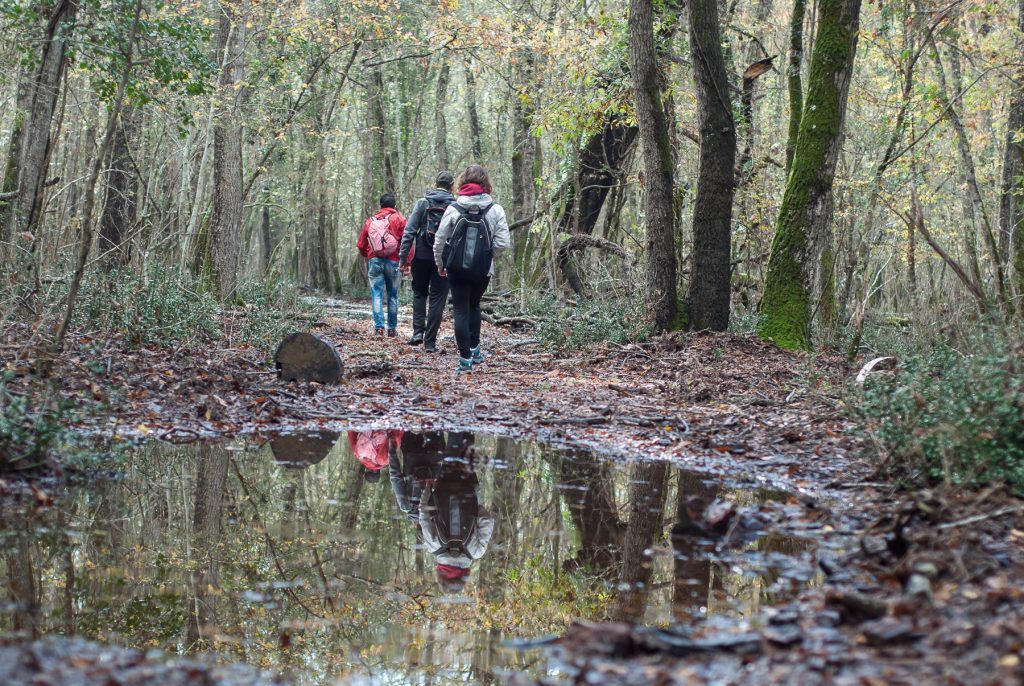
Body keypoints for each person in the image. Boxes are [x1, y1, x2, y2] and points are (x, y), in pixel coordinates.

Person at [432, 165, 511, 372]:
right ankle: (475, 350)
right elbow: (503, 243)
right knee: (474, 305)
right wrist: (486, 256)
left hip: (456, 268)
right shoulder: (495, 209)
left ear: (462, 182)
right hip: (482, 270)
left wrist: (440, 263)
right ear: (486, 183)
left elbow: (439, 240)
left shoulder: (453, 208)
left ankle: (465, 360)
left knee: (460, 310)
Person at [417, 432, 493, 594]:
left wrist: (474, 506)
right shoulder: (434, 548)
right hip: (443, 485)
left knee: (466, 451)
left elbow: (486, 520)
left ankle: (467, 419)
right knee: (452, 453)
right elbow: (424, 515)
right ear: (441, 575)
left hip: (469, 488)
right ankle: (456, 420)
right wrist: (428, 489)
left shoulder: (476, 552)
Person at [399, 172, 456, 352]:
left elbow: (409, 231)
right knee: (438, 299)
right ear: (452, 186)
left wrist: (403, 257)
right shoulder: (455, 206)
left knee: (419, 293)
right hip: (445, 258)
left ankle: (417, 333)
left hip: (421, 255)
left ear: (435, 184)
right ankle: (430, 342)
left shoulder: (423, 203)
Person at [357, 194, 406, 336]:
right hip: (394, 261)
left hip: (375, 260)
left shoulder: (370, 221)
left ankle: (379, 327)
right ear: (394, 206)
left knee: (376, 294)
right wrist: (406, 262)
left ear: (380, 206)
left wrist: (367, 256)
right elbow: (407, 242)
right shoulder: (400, 219)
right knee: (392, 295)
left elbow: (361, 244)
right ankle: (391, 329)